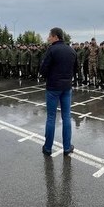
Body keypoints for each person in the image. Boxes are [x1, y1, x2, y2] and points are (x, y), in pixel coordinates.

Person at [39, 27, 77, 156]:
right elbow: (75, 69)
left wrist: (49, 75)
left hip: (53, 88)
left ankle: (48, 148)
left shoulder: (52, 50)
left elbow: (43, 69)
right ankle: (67, 147)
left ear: (56, 37)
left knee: (51, 117)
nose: (48, 38)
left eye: (49, 36)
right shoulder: (71, 50)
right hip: (67, 87)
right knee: (66, 116)